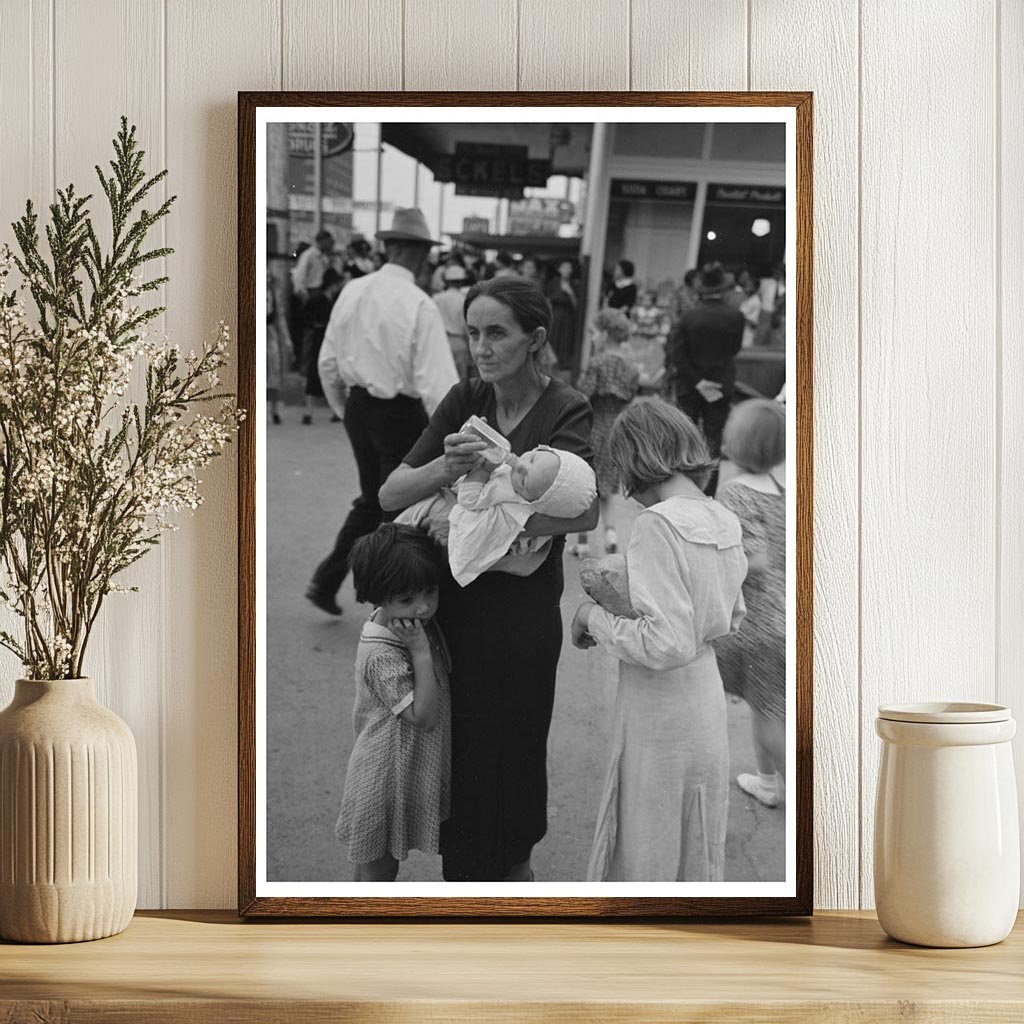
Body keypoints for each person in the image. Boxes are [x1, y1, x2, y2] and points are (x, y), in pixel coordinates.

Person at [379, 277, 597, 881]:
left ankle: (514, 873)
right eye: (473, 332)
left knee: (517, 753)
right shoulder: (464, 399)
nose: (481, 346)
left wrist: (496, 519)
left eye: (497, 332)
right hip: (454, 613)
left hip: (520, 621)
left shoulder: (565, 408)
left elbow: (585, 509)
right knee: (460, 754)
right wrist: (444, 470)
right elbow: (390, 492)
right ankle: (466, 881)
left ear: (536, 339)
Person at [570, 399, 747, 881]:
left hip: (661, 707)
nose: (629, 494)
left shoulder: (658, 524)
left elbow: (665, 644)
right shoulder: (722, 517)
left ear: (636, 459)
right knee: (694, 836)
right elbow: (733, 614)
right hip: (704, 699)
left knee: (651, 839)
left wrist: (593, 617)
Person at [307, 208, 458, 617]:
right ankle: (398, 599)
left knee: (374, 501)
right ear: (421, 254)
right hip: (401, 413)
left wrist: (345, 407)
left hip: (359, 406)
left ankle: (329, 579)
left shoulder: (353, 290)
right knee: (402, 506)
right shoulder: (418, 304)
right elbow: (438, 384)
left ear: (389, 247)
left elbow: (328, 361)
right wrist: (452, 438)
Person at [334, 524, 451, 881]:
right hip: (383, 777)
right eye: (407, 599)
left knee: (373, 870)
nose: (424, 607)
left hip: (399, 768)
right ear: (378, 597)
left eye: (430, 592)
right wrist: (420, 652)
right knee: (378, 872)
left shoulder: (403, 621)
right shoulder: (383, 652)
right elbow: (423, 716)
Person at [715, 399, 787, 808]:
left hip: (757, 623)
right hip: (781, 616)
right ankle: (767, 782)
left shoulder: (735, 494)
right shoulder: (780, 491)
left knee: (768, 716)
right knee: (766, 706)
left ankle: (801, 798)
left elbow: (754, 560)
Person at [398, 442, 596, 586]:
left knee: (403, 532)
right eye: (533, 458)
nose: (521, 466)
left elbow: (469, 499)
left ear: (535, 502)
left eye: (525, 481)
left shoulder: (510, 498)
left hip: (447, 514)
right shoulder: (522, 484)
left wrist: (483, 471)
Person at [665, 262, 745, 473]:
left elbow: (677, 355)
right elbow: (734, 349)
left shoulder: (688, 316)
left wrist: (698, 381)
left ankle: (684, 484)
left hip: (689, 384)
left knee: (685, 437)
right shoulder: (736, 317)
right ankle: (708, 492)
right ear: (724, 289)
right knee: (713, 438)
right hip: (721, 382)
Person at [571, 308, 639, 557]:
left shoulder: (597, 363)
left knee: (588, 486)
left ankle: (582, 541)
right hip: (617, 428)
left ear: (606, 333)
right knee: (608, 488)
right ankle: (611, 534)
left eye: (595, 332)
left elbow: (582, 396)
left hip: (594, 425)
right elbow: (631, 396)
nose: (593, 337)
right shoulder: (630, 365)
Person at [433, 263, 473, 380]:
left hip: (440, 341)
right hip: (459, 342)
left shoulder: (436, 298)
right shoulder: (463, 300)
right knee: (460, 379)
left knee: (441, 377)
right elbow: (467, 326)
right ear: (461, 281)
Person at [266, 270, 293, 425]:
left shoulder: (274, 295)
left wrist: (287, 339)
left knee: (274, 372)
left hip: (270, 333)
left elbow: (280, 318)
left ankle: (274, 409)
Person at [545, 258, 579, 371]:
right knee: (554, 337)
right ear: (559, 269)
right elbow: (548, 300)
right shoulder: (553, 283)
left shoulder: (575, 284)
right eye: (564, 267)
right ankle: (552, 362)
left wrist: (570, 293)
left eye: (569, 268)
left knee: (566, 339)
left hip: (568, 316)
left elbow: (577, 305)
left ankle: (564, 364)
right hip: (555, 315)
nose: (567, 270)